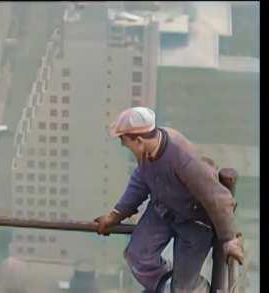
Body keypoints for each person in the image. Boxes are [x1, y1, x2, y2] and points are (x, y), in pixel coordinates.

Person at [94, 107, 244, 292]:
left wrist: (229, 240)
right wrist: (115, 216)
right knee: (138, 257)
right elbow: (140, 181)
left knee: (182, 289)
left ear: (139, 140)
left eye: (125, 142)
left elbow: (218, 199)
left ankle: (190, 288)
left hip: (195, 222)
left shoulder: (183, 158)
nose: (125, 147)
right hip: (163, 209)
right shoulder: (147, 150)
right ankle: (170, 287)